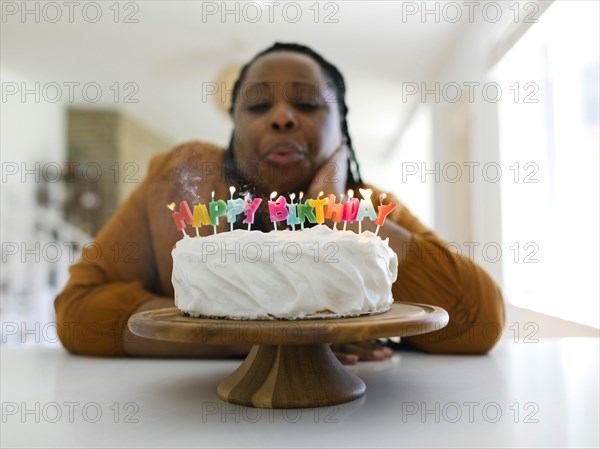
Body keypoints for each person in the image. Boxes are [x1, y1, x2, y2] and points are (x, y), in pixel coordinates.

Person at [55, 42, 505, 362]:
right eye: (256, 106)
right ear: (233, 125)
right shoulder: (180, 182)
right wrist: (257, 337)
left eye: (308, 104)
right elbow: (78, 314)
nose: (283, 117)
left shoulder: (368, 210)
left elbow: (480, 322)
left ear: (341, 130)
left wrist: (331, 212)